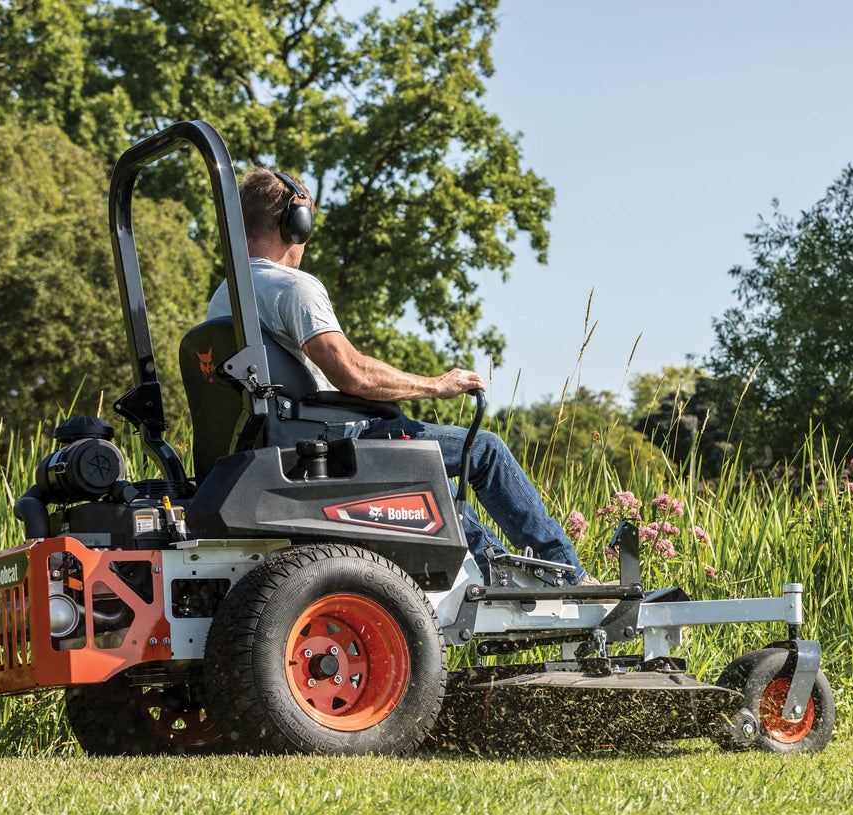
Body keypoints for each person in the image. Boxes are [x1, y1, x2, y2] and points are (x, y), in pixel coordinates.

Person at [204, 167, 590, 584]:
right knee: (485, 451)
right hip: (338, 440)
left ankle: (497, 572)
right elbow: (352, 374)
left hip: (276, 446)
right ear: (295, 225)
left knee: (441, 474)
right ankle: (568, 576)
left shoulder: (225, 296)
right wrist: (435, 386)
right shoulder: (293, 287)